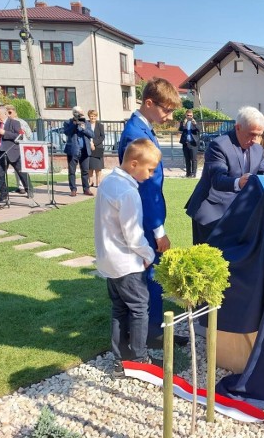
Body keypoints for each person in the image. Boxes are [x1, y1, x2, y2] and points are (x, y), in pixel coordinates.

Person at [118, 77, 181, 349]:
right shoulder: (137, 134)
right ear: (149, 103)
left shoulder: (143, 128)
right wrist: (158, 230)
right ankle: (149, 334)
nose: (168, 117)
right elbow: (148, 188)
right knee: (148, 278)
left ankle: (148, 331)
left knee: (147, 277)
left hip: (144, 214)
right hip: (143, 218)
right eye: (165, 110)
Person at [95, 138, 162, 378]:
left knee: (119, 309)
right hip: (126, 262)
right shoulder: (128, 192)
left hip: (109, 261)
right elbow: (133, 235)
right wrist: (148, 254)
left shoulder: (108, 182)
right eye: (150, 169)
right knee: (139, 308)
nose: (151, 174)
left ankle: (119, 361)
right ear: (134, 164)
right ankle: (140, 358)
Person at [186, 106, 264, 244]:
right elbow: (217, 180)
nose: (255, 140)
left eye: (259, 135)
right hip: (210, 213)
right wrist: (238, 182)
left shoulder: (257, 149)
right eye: (251, 134)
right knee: (207, 261)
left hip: (236, 214)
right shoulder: (219, 145)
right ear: (237, 127)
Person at [0, 106, 31, 202]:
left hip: (12, 151)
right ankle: (3, 194)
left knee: (21, 172)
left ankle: (29, 189)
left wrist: (5, 133)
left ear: (5, 114)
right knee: (0, 174)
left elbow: (19, 136)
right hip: (0, 151)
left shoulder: (14, 123)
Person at [64, 105, 94, 197]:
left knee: (85, 171)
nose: (81, 116)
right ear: (74, 114)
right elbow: (67, 133)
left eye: (82, 114)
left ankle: (86, 189)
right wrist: (74, 124)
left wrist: (83, 128)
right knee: (72, 171)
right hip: (73, 150)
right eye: (79, 114)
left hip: (85, 150)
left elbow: (91, 134)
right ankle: (73, 189)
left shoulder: (86, 123)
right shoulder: (68, 122)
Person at [178, 109, 199, 177]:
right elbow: (180, 129)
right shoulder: (183, 122)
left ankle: (193, 173)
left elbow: (199, 129)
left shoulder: (195, 122)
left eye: (191, 115)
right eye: (188, 115)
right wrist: (184, 123)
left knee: (194, 159)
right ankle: (188, 173)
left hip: (193, 143)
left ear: (192, 115)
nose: (189, 117)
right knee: (187, 159)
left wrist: (195, 124)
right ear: (186, 115)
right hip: (185, 143)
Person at [87, 110, 105, 188]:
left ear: (96, 116)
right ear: (89, 116)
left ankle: (98, 181)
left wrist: (94, 143)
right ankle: (90, 181)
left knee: (98, 166)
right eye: (91, 116)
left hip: (98, 147)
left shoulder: (100, 125)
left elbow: (102, 136)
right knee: (90, 166)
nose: (92, 117)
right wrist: (90, 144)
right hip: (88, 147)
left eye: (94, 116)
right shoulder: (86, 124)